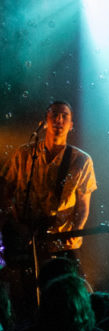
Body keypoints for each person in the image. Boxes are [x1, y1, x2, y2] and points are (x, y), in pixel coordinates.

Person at [0, 100, 97, 261]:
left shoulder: (81, 160)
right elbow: (4, 190)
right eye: (54, 115)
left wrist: (76, 230)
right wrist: (15, 223)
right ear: (44, 123)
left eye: (64, 116)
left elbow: (83, 205)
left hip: (62, 243)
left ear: (71, 125)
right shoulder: (23, 154)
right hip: (25, 241)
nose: (59, 119)